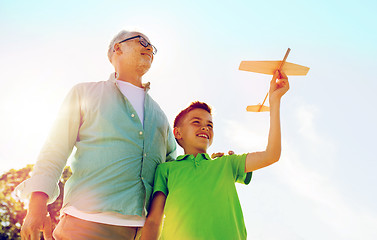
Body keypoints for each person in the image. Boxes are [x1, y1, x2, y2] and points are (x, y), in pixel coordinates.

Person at [15, 30, 176, 240]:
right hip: (84, 225)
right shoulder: (84, 94)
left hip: (142, 233)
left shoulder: (161, 116)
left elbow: (172, 168)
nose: (149, 48)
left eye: (152, 47)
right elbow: (55, 149)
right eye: (142, 41)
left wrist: (208, 162)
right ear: (117, 48)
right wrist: (36, 206)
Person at [140, 70, 289, 240]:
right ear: (178, 133)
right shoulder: (166, 170)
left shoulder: (227, 163)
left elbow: (272, 154)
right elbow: (153, 222)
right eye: (196, 122)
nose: (205, 128)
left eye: (210, 125)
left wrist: (275, 101)